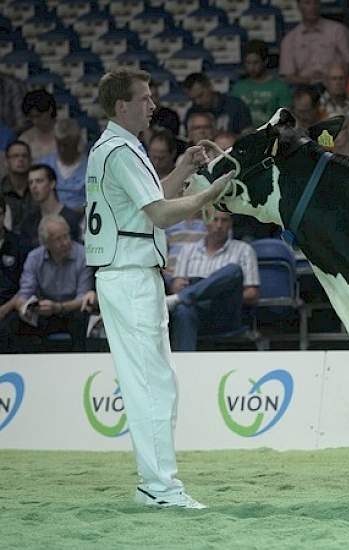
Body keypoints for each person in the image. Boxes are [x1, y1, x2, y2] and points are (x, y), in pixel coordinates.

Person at [85, 67, 232, 509]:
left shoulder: (118, 147)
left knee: (155, 383)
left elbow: (154, 203)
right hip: (129, 275)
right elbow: (164, 215)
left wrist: (185, 166)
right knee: (151, 385)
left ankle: (156, 484)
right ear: (121, 106)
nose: (153, 106)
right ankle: (160, 487)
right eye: (144, 98)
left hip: (130, 274)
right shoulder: (121, 150)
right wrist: (212, 193)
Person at [168, 212, 259, 351]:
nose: (219, 225)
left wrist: (218, 290)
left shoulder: (244, 250)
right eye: (215, 220)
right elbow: (176, 285)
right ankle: (184, 366)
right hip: (196, 310)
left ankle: (183, 297)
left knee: (233, 270)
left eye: (224, 221)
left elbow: (253, 294)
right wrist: (179, 287)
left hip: (225, 310)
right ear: (205, 223)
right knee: (182, 311)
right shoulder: (188, 250)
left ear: (230, 224)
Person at [5, 214, 93, 352]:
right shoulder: (35, 258)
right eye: (58, 239)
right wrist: (25, 308)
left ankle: (80, 363)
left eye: (66, 236)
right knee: (14, 322)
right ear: (46, 243)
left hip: (72, 310)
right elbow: (25, 293)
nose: (65, 242)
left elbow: (83, 297)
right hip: (44, 312)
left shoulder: (82, 255)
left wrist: (58, 307)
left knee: (81, 317)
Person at [279, 0, 349, 86]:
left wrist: (331, 77)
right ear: (298, 6)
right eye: (307, 3)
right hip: (305, 87)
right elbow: (288, 76)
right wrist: (309, 81)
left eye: (316, 3)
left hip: (336, 85)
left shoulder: (339, 30)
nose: (312, 7)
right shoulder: (289, 39)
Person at [230, 40, 294, 126]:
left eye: (256, 62)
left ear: (265, 61)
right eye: (248, 63)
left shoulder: (280, 87)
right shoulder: (238, 87)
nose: (251, 67)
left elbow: (285, 118)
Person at [19, 164, 83, 247]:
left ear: (52, 183)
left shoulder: (73, 218)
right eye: (30, 182)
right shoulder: (28, 223)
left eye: (39, 181)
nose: (33, 186)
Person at [0, 195, 31, 352]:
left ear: (4, 215)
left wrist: (6, 307)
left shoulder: (21, 245)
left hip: (12, 306)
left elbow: (27, 284)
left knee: (9, 326)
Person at [38, 119, 87, 212]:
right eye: (59, 144)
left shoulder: (92, 168)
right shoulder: (43, 165)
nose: (62, 149)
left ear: (77, 142)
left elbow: (95, 198)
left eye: (67, 145)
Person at [183, 73, 252, 136]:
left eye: (200, 95)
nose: (198, 102)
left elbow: (246, 134)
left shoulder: (236, 105)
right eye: (193, 99)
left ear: (210, 87)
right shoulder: (192, 112)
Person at [17, 90, 58, 161]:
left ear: (50, 110)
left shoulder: (67, 133)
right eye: (31, 117)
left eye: (38, 116)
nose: (35, 121)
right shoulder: (25, 139)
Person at [1, 141, 31, 232]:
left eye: (24, 156)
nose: (20, 159)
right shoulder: (0, 190)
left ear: (31, 160)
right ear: (6, 162)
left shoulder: (40, 188)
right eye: (15, 156)